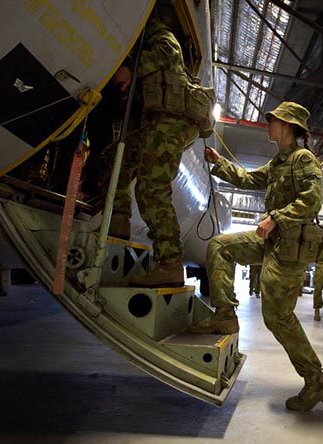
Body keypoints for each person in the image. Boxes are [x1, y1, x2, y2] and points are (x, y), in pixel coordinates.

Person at [188, 101, 323, 412]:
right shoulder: (279, 161)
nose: (268, 124)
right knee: (219, 246)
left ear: (289, 126)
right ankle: (225, 315)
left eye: (274, 121)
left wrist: (277, 218)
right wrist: (219, 162)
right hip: (271, 242)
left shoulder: (302, 158)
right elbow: (249, 179)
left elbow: (313, 199)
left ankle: (316, 380)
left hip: (289, 249)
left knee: (276, 317)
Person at [109, 16, 214, 288]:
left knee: (152, 188)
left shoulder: (159, 34)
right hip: (153, 120)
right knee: (113, 158)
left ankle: (169, 264)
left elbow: (170, 53)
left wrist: (132, 70)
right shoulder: (139, 40)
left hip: (171, 120)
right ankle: (118, 220)